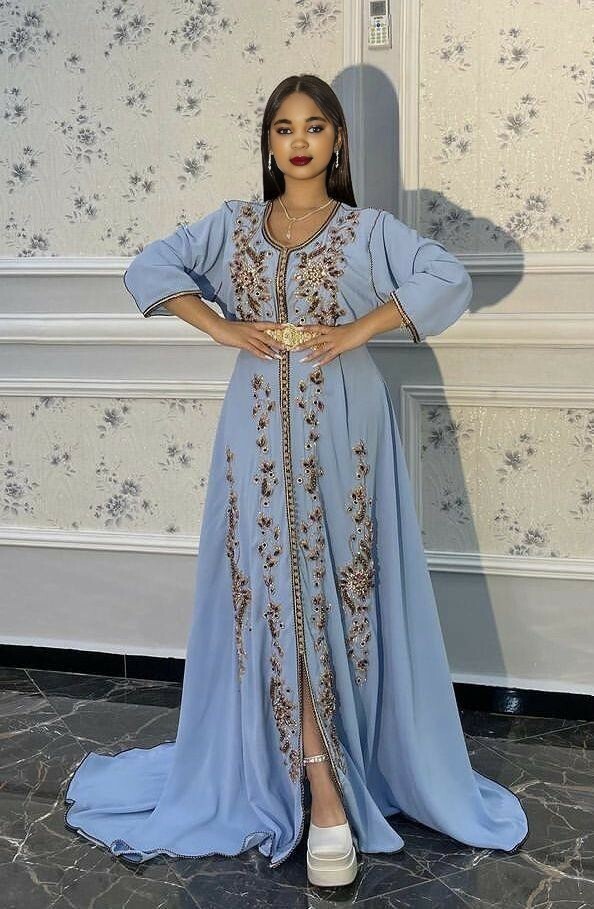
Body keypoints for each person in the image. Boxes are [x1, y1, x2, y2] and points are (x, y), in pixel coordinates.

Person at [64, 73, 529, 889]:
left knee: (337, 592)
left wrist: (358, 328)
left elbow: (447, 276)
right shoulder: (234, 224)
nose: (300, 141)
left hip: (345, 430)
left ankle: (344, 767)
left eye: (315, 126)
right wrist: (220, 326)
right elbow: (151, 264)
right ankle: (321, 790)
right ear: (269, 142)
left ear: (337, 139)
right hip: (252, 433)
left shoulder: (367, 231)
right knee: (273, 588)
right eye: (285, 127)